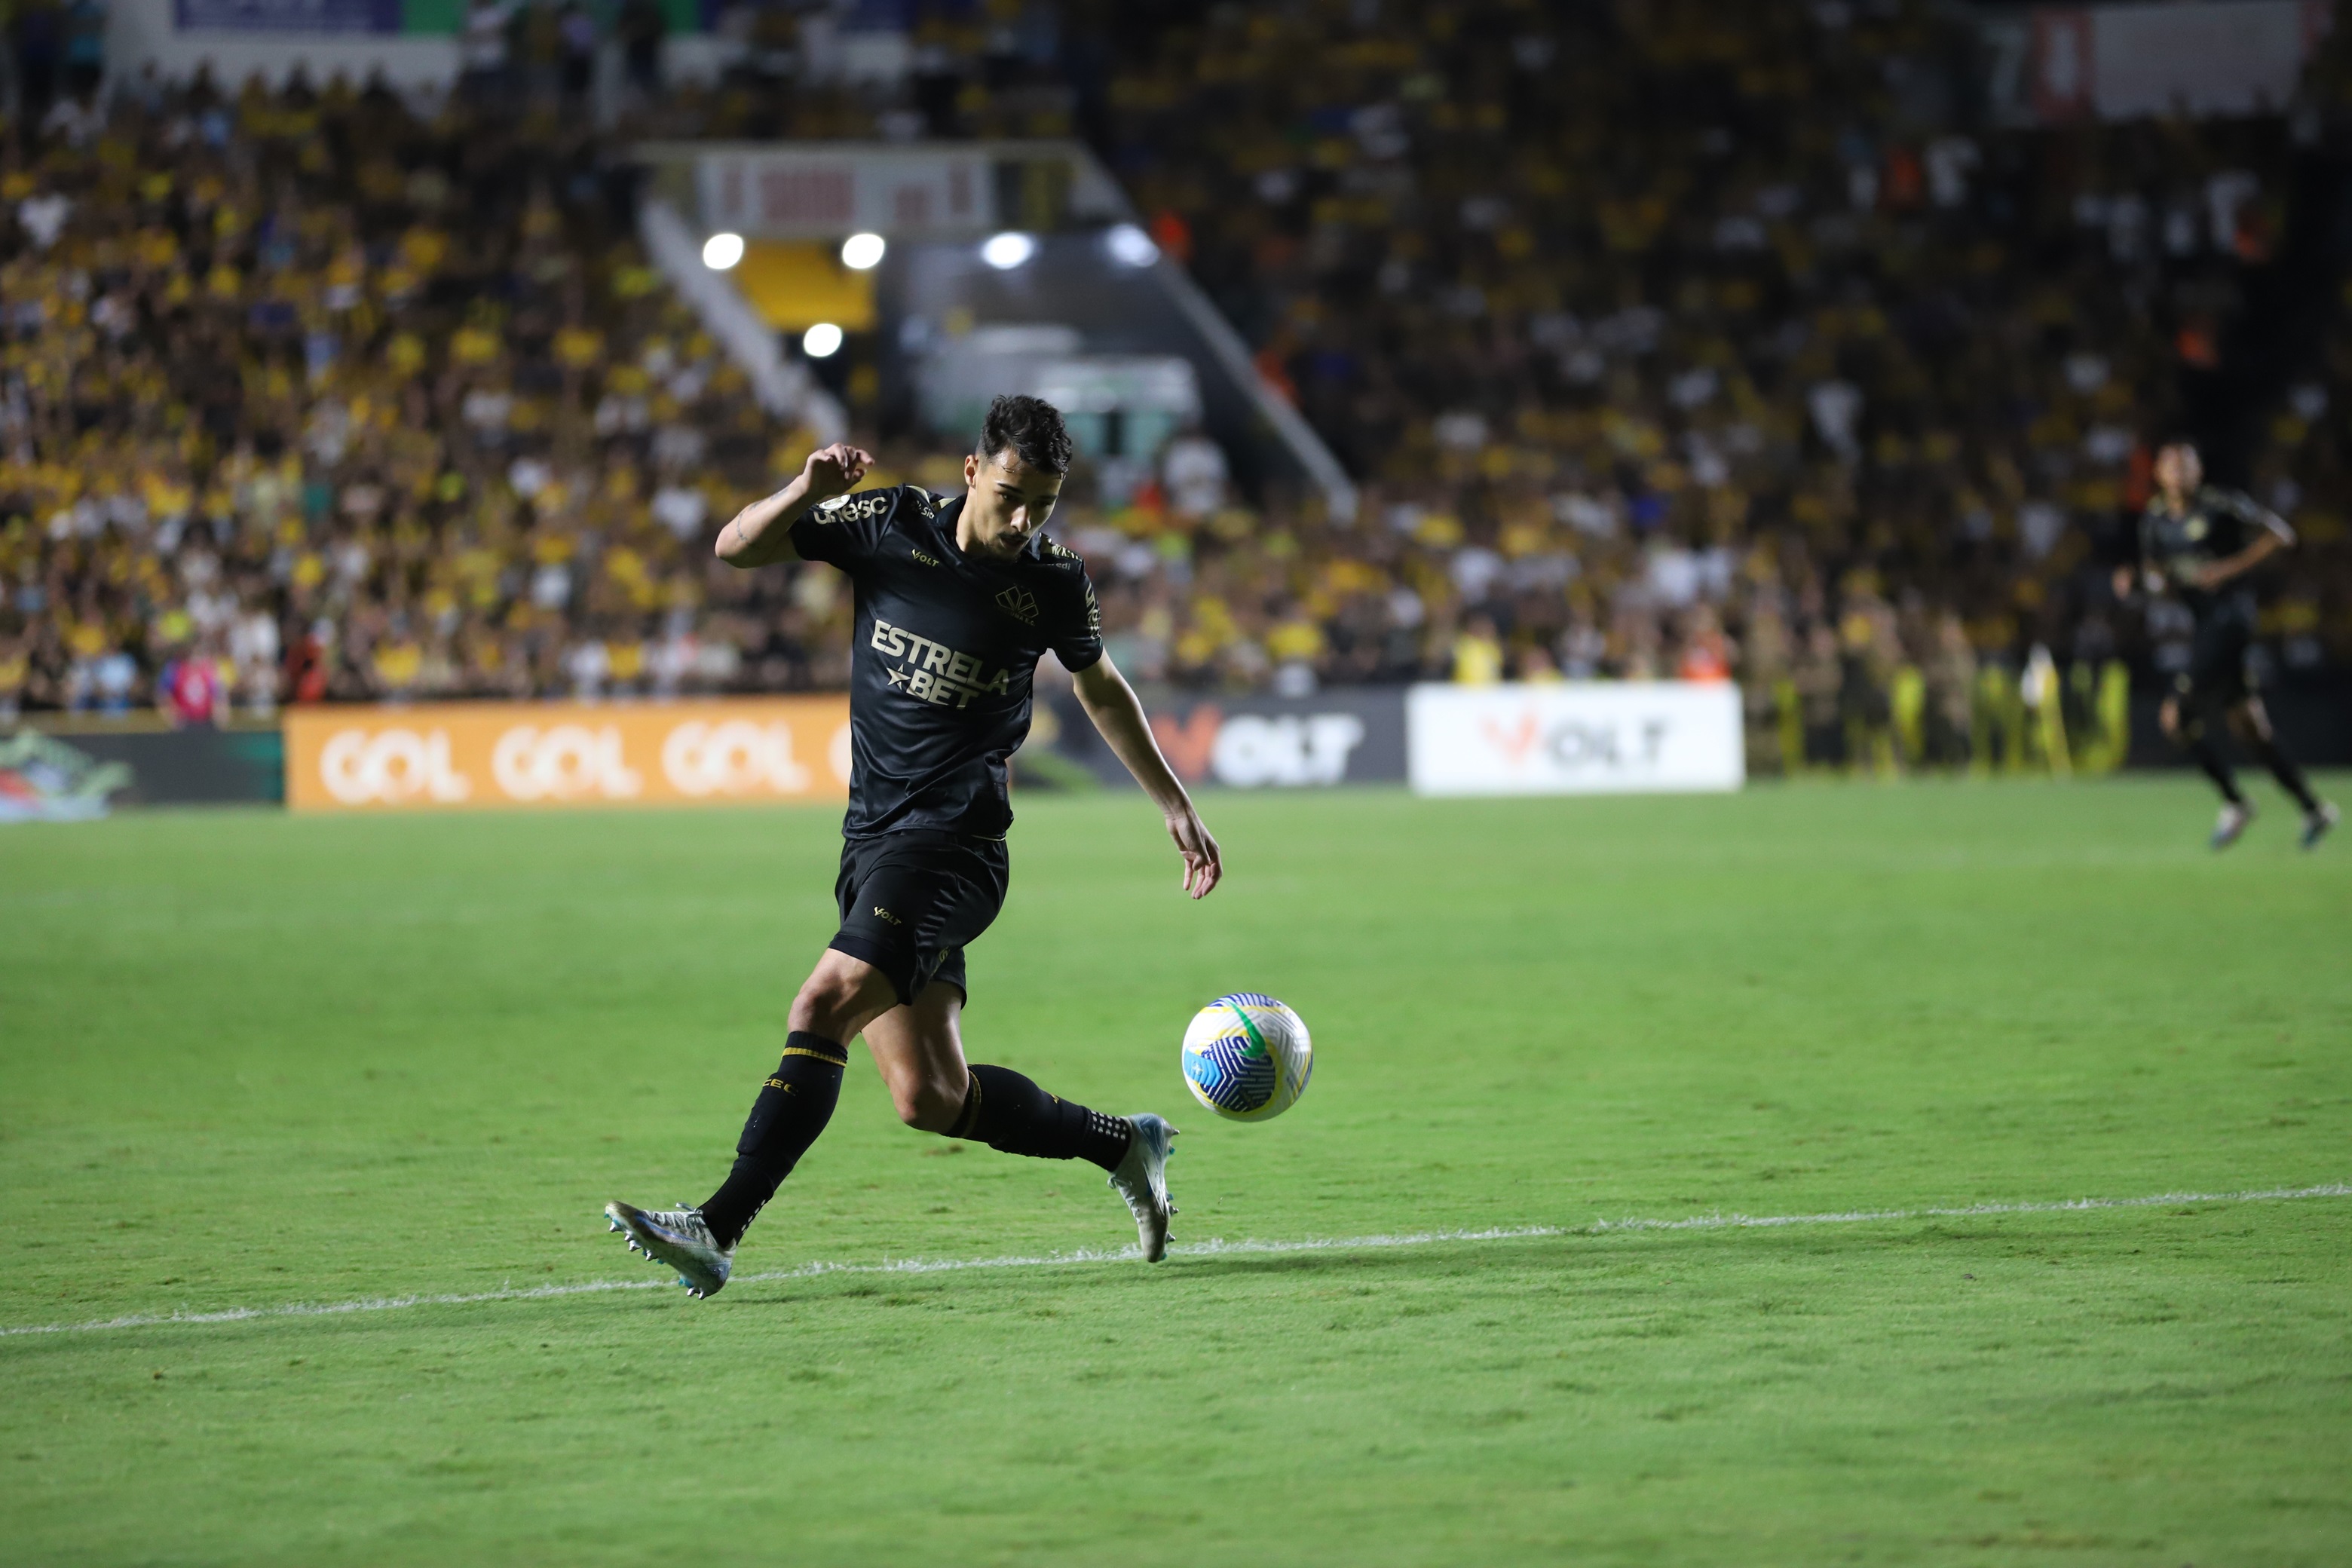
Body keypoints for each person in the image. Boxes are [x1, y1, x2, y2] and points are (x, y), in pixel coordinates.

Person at [605, 397, 1223, 1298]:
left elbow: (1101, 687)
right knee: (930, 1095)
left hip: (956, 846)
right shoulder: (886, 521)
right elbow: (737, 547)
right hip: (873, 841)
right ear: (973, 470)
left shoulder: (1053, 579)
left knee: (821, 1005)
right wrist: (803, 491)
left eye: (1043, 504)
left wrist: (1170, 798)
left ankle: (715, 1227)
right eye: (1012, 494)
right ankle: (1125, 1143)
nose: (1023, 520)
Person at [2115, 440, 2335, 850]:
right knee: (2251, 729)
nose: (2179, 474)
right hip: (2204, 624)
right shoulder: (2156, 521)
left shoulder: (2221, 506)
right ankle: (2314, 809)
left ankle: (2236, 803)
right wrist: (2137, 585)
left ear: (2198, 471)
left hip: (2232, 620)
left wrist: (2227, 569)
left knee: (2175, 718)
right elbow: (2161, 579)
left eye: (2186, 466)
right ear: (2159, 475)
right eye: (2172, 467)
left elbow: (2281, 535)